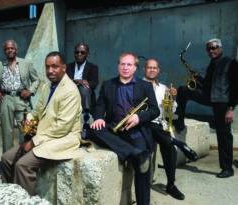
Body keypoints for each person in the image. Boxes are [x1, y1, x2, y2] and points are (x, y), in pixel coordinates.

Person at [1, 51, 82, 195]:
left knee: (23, 165)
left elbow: (62, 128)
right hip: (45, 136)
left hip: (62, 138)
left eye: (55, 66)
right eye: (47, 67)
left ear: (64, 68)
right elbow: (36, 111)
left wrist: (33, 142)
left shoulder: (70, 90)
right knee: (7, 158)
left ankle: (25, 201)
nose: (50, 71)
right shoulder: (47, 86)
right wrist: (28, 125)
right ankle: (8, 196)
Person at [89, 52, 160, 205]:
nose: (125, 67)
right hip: (114, 130)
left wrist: (139, 118)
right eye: (122, 64)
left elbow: (155, 110)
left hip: (136, 132)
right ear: (118, 66)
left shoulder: (145, 86)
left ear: (135, 68)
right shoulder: (108, 84)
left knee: (142, 169)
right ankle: (133, 153)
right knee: (91, 129)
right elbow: (100, 105)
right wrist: (99, 117)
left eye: (129, 65)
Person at [174, 38, 238, 178]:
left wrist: (231, 108)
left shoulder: (231, 63)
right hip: (210, 97)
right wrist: (197, 78)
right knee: (183, 90)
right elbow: (207, 86)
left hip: (223, 102)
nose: (211, 50)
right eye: (209, 48)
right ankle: (179, 121)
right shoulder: (212, 65)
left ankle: (227, 168)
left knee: (223, 135)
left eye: (214, 47)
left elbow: (235, 87)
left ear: (220, 48)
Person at [143, 58, 198, 200]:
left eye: (155, 68)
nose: (152, 70)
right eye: (149, 67)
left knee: (169, 148)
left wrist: (173, 98)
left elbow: (169, 112)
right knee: (158, 132)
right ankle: (180, 144)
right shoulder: (137, 85)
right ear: (144, 69)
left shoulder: (163, 88)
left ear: (158, 70)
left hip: (160, 127)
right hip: (144, 124)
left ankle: (171, 185)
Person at [0, 39, 40, 152]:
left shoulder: (26, 63)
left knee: (27, 130)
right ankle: (8, 162)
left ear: (16, 50)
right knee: (6, 132)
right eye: (7, 49)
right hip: (6, 99)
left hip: (22, 100)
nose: (10, 50)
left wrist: (30, 91)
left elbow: (36, 80)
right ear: (4, 51)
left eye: (12, 48)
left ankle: (23, 159)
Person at [66, 43, 99, 130]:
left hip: (85, 94)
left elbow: (94, 83)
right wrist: (77, 81)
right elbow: (64, 81)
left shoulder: (93, 67)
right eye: (77, 52)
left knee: (84, 87)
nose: (79, 54)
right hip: (70, 93)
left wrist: (85, 82)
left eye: (82, 52)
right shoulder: (68, 67)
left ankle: (86, 115)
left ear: (87, 54)